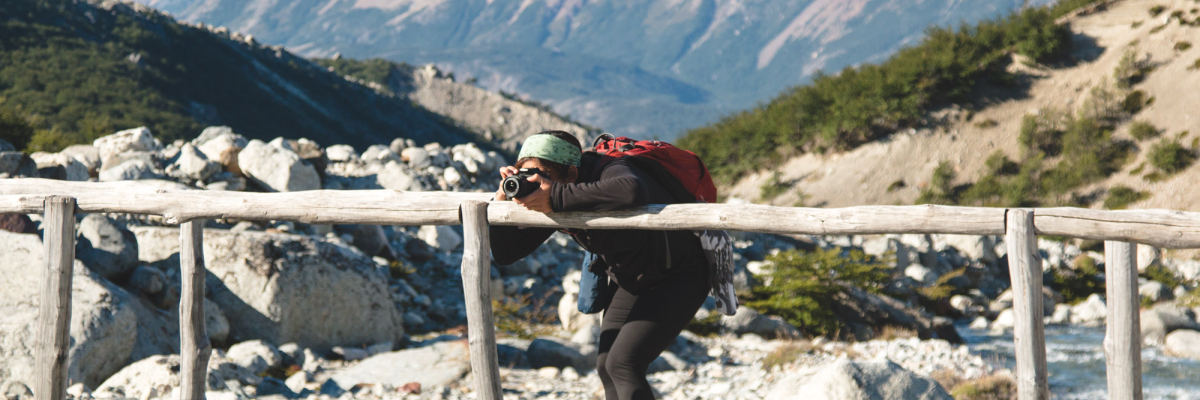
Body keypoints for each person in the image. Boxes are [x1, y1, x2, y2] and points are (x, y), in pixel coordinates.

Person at [489, 130, 710, 400]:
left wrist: (555, 197)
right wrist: (500, 202)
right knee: (606, 365)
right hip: (630, 278)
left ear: (572, 172)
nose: (536, 182)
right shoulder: (553, 191)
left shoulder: (610, 169)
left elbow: (631, 189)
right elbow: (507, 253)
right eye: (527, 174)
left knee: (623, 365)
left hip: (680, 275)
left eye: (541, 174)